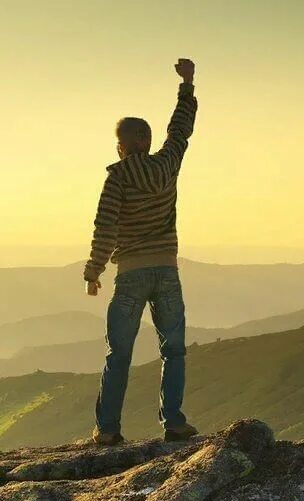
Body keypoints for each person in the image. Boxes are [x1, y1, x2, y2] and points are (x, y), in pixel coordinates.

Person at [83, 58, 200, 446]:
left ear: (121, 146)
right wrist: (187, 84)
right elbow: (181, 129)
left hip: (130, 275)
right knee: (174, 350)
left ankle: (108, 429)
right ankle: (175, 423)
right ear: (147, 142)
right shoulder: (168, 163)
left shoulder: (117, 179)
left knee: (119, 354)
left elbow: (106, 227)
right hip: (167, 272)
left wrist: (93, 270)